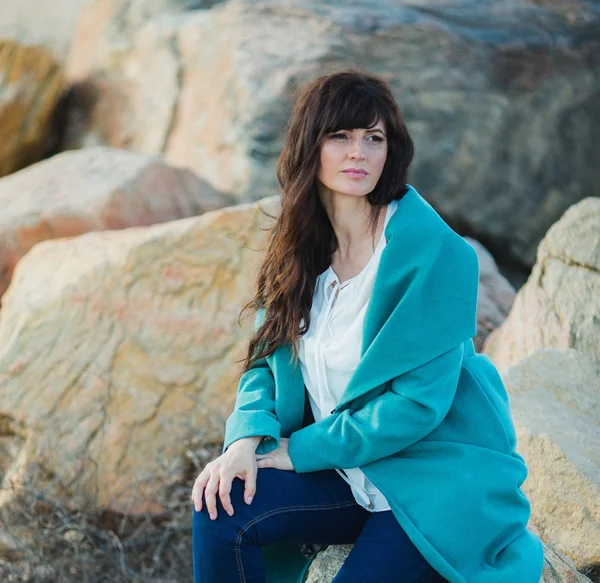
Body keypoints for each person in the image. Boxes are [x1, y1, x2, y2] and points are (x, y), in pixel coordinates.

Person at [190, 68, 545, 583]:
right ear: (311, 146)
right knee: (219, 506)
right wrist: (246, 440)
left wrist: (299, 450)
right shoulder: (300, 249)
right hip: (344, 474)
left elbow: (415, 405)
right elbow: (267, 363)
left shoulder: (436, 255)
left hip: (425, 478)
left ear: (389, 152)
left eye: (372, 138)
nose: (357, 152)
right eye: (340, 136)